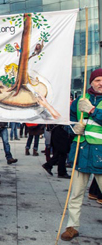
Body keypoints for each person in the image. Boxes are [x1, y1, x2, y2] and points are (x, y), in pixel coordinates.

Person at [61, 69, 102, 241]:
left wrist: (93, 110)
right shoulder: (79, 100)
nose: (101, 83)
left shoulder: (90, 104)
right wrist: (72, 128)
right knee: (76, 194)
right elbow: (68, 120)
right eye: (98, 80)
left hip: (100, 154)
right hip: (81, 151)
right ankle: (72, 226)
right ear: (91, 82)